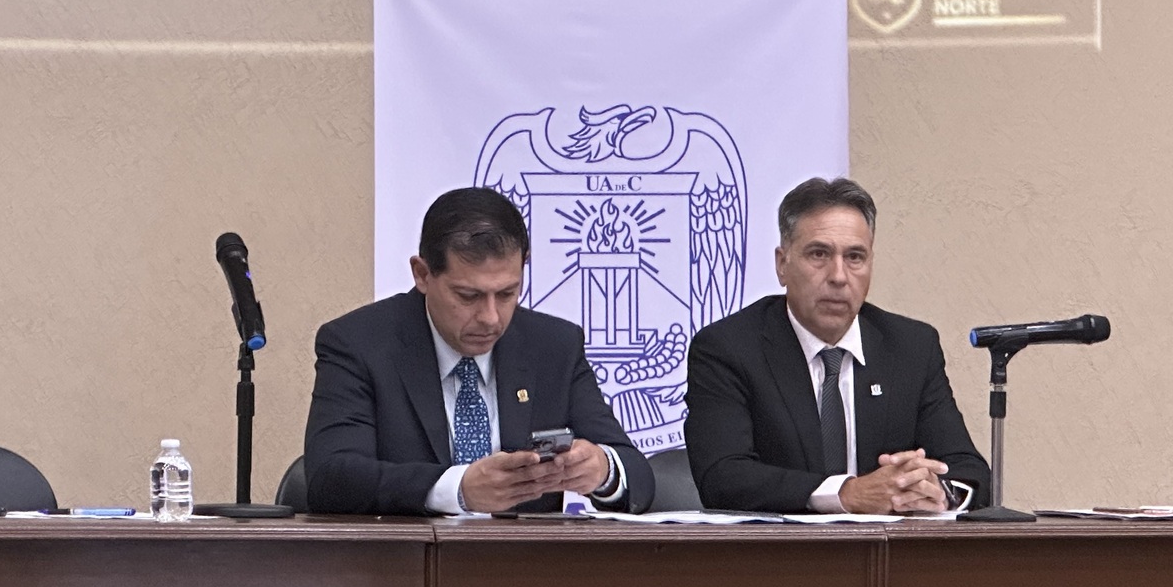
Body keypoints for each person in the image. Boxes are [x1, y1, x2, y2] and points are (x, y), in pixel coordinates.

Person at [305, 187, 654, 515]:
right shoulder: (358, 343)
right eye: (468, 296)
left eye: (506, 294)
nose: (490, 318)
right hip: (405, 556)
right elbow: (332, 478)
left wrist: (603, 470)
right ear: (422, 274)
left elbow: (637, 475)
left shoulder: (554, 345)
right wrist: (457, 489)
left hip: (527, 557)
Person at [684, 177, 990, 513]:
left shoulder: (911, 347)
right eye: (819, 254)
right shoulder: (728, 348)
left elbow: (969, 471)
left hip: (887, 545)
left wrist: (938, 492)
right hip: (777, 545)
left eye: (855, 257)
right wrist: (845, 494)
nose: (839, 276)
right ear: (782, 264)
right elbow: (723, 477)